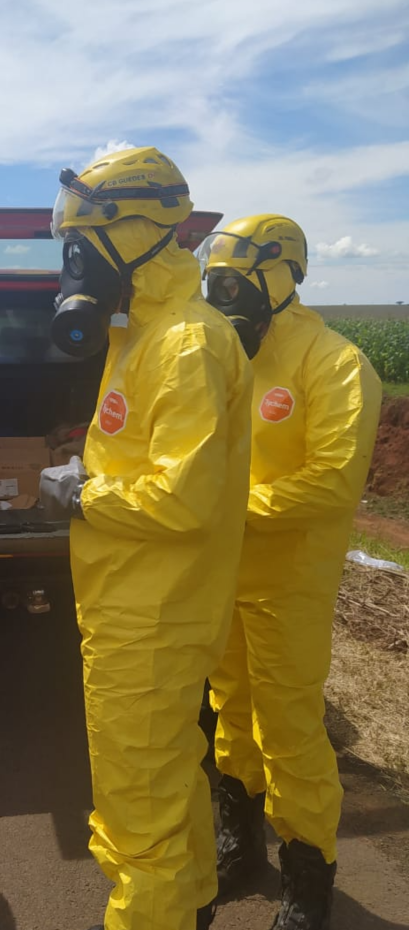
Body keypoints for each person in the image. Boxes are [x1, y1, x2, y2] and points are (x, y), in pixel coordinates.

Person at [38, 147, 253, 930]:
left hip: (151, 620)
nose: (76, 262)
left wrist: (84, 492)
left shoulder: (186, 342)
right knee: (171, 786)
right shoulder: (143, 331)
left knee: (138, 821)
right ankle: (192, 905)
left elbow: (182, 497)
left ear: (137, 231)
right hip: (135, 608)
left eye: (83, 239)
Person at [198, 214, 382, 928]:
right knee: (231, 717)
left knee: (290, 729)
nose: (222, 298)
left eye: (233, 284)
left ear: (278, 277)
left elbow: (333, 479)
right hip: (222, 580)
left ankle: (307, 876)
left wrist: (227, 508)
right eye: (214, 284)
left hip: (290, 586)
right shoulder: (225, 359)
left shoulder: (335, 364)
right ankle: (236, 843)